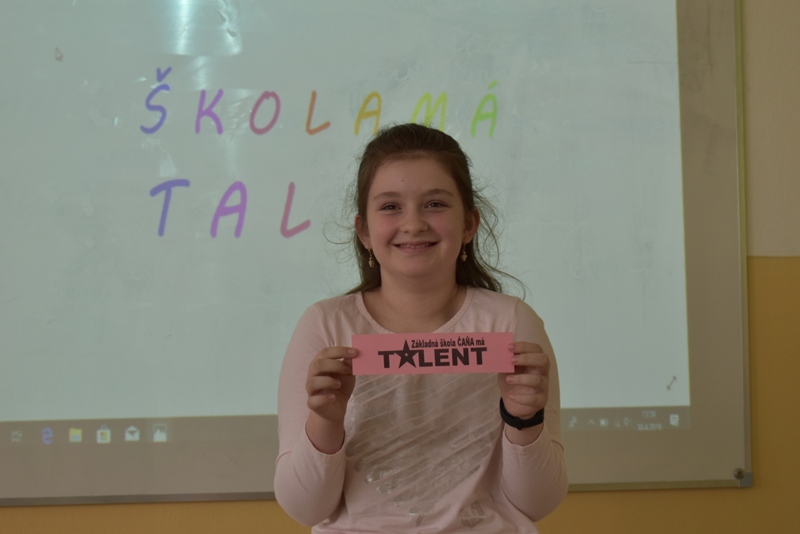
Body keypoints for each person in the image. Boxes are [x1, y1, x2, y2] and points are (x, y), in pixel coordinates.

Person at [275, 123, 567, 532]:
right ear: (364, 231)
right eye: (390, 207)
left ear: (469, 224)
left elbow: (537, 503)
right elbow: (305, 509)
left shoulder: (512, 321)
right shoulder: (325, 325)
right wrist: (326, 421)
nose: (413, 224)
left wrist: (525, 420)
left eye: (435, 204)